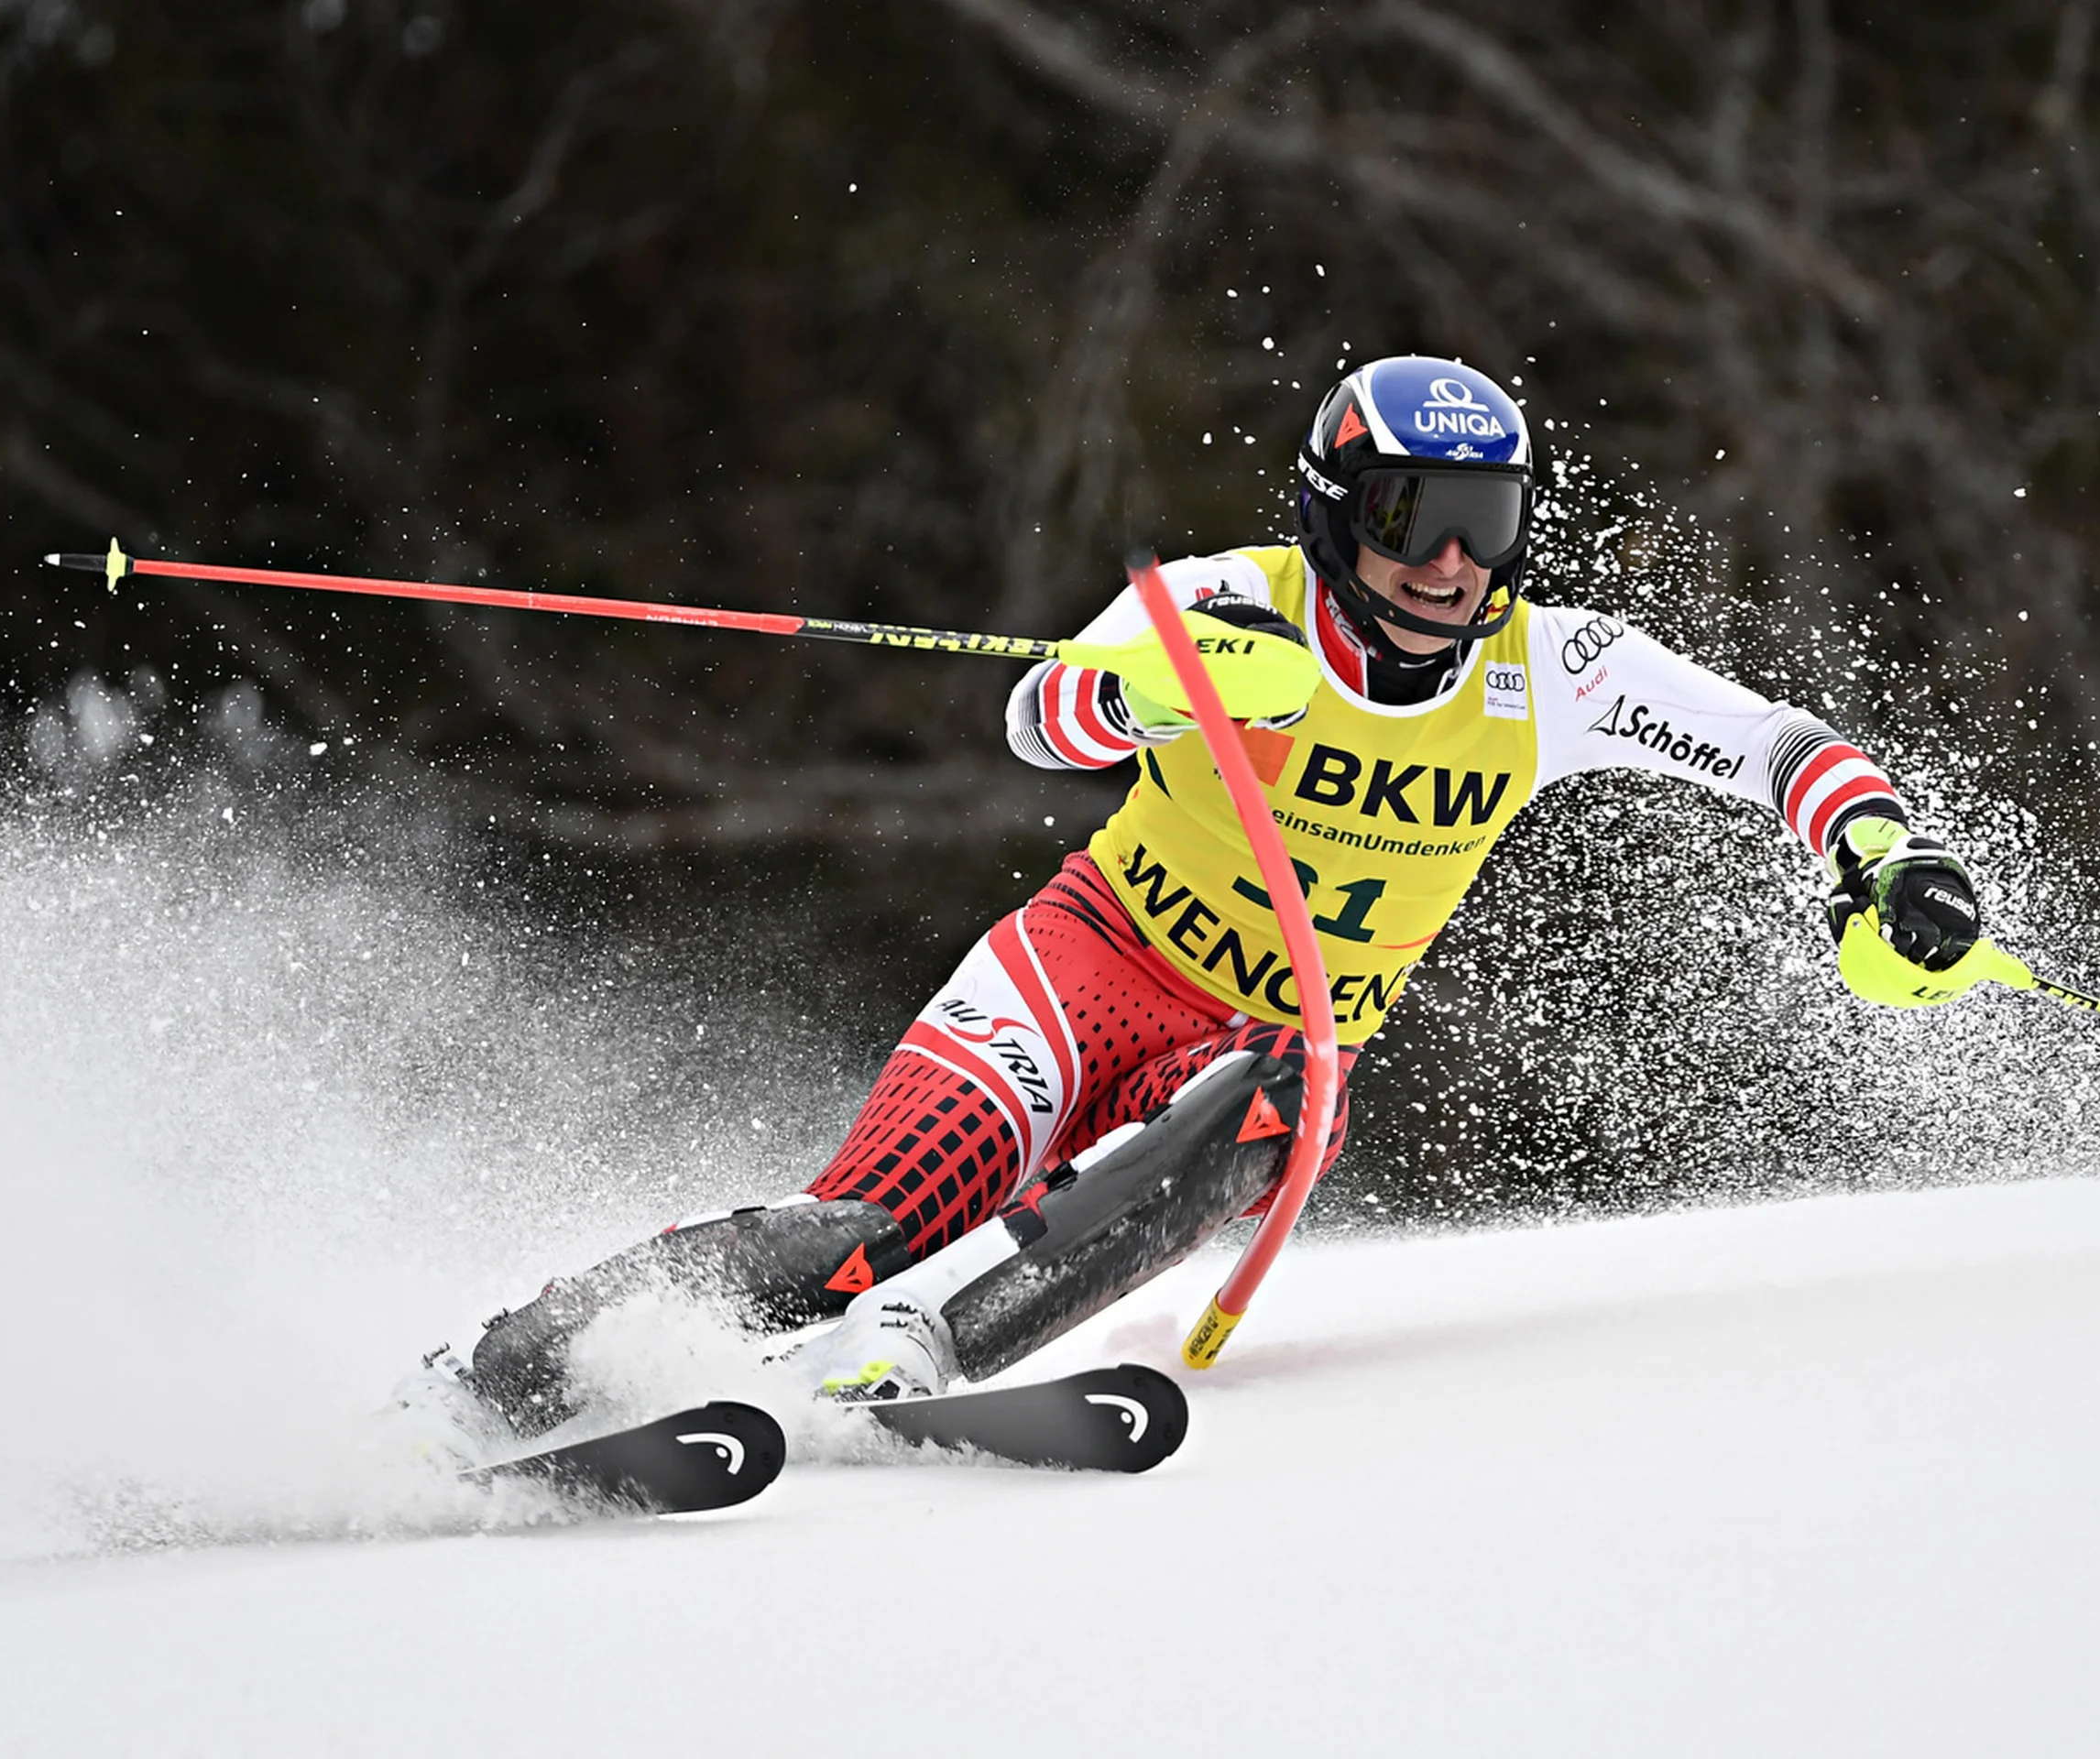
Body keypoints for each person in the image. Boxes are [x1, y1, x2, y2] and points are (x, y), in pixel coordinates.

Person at [416, 355, 1990, 1445]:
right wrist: (1159, 695)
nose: (1450, 564)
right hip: (1080, 969)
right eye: (1409, 520)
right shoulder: (1229, 603)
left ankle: (934, 1349)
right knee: (862, 1228)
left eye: (1486, 525)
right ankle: (506, 1374)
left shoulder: (1551, 672)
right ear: (1334, 512)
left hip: (1253, 1047)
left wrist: (1887, 857)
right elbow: (1040, 717)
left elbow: (1779, 749)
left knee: (1289, 1099)